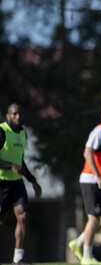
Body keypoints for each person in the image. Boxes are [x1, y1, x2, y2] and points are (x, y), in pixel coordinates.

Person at [68, 101, 101, 265]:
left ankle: (77, 242)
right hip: (90, 180)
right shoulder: (100, 131)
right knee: (94, 219)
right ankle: (86, 257)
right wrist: (98, 177)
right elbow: (87, 152)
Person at [0, 103, 42, 265]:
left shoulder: (23, 134)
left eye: (20, 114)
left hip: (16, 183)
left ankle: (18, 259)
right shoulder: (2, 131)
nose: (18, 117)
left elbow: (20, 161)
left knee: (23, 216)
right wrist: (10, 165)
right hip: (1, 183)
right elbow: (13, 163)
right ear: (8, 115)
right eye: (14, 114)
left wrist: (33, 181)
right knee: (1, 222)